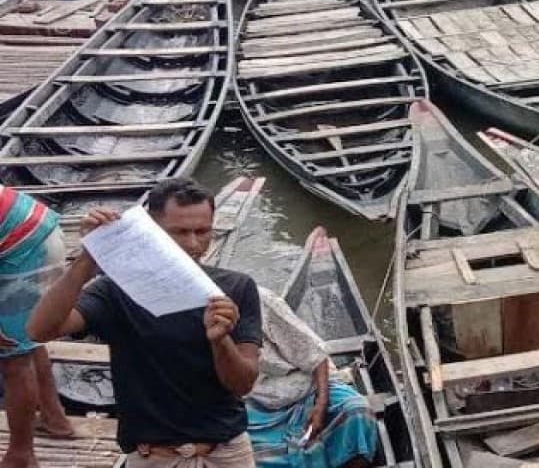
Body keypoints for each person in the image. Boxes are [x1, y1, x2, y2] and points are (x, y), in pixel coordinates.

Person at [27, 178, 262, 468]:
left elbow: (242, 384)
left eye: (202, 232)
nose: (192, 244)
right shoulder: (115, 292)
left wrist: (220, 340)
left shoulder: (234, 290)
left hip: (225, 454)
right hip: (152, 457)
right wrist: (89, 256)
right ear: (150, 230)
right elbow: (40, 330)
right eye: (179, 232)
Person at [247, 288, 377, 468]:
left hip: (306, 388)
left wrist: (321, 404)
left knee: (357, 411)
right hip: (254, 405)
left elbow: (316, 355)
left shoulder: (257, 300)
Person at [1, 186, 75, 468]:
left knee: (11, 353)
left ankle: (21, 454)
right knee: (27, 336)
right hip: (41, 231)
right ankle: (54, 417)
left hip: (24, 247)